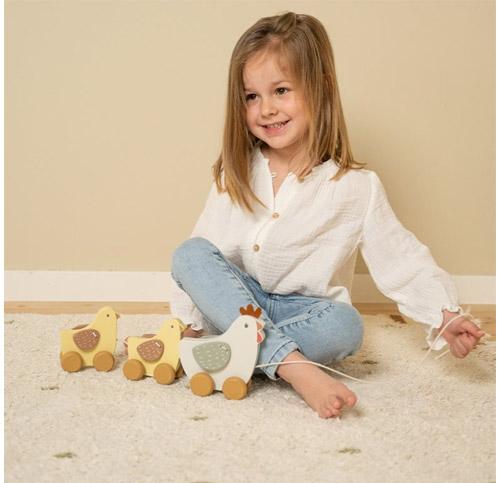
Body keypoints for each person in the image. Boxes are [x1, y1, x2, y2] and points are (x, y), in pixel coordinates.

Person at [169, 12, 485, 419]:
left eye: (281, 90)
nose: (266, 109)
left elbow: (400, 257)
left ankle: (228, 356)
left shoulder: (355, 187)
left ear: (321, 87)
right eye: (251, 97)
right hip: (236, 304)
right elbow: (203, 262)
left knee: (345, 327)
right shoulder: (236, 172)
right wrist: (188, 325)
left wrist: (444, 315)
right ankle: (295, 368)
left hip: (305, 313)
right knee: (189, 253)